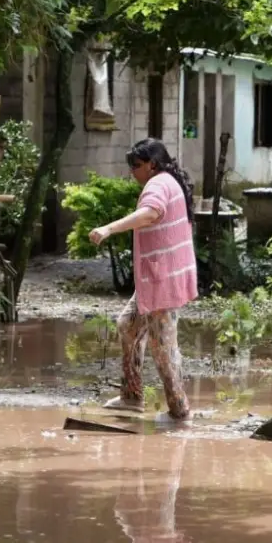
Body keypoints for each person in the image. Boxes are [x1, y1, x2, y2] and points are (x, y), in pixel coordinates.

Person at [89, 138, 197, 421]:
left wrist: (109, 229)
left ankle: (180, 411)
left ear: (152, 164)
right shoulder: (167, 180)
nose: (132, 172)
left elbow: (150, 213)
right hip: (157, 278)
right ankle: (132, 396)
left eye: (136, 166)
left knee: (163, 350)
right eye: (130, 166)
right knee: (128, 326)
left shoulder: (159, 184)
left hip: (162, 281)